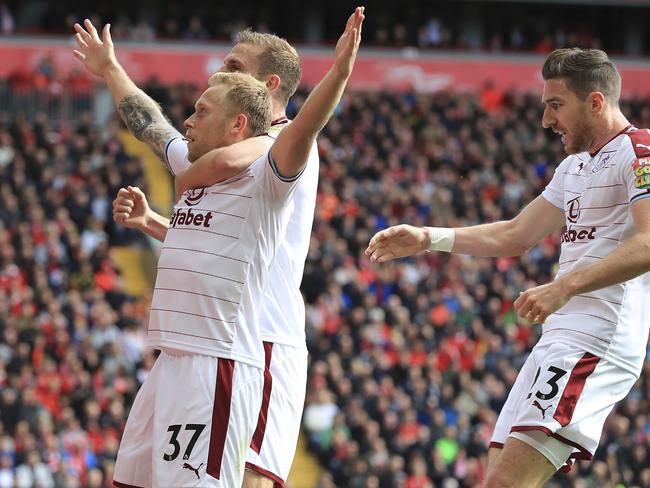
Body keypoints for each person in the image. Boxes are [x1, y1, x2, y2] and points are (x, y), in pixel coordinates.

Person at [74, 8, 364, 487]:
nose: (220, 71)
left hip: (256, 339)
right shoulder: (212, 152)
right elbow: (155, 132)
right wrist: (110, 69)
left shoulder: (284, 153)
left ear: (267, 87)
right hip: (187, 345)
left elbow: (296, 132)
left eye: (234, 67)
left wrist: (339, 72)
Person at [365, 47, 650, 487]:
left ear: (595, 102)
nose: (546, 120)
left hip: (599, 339)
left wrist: (565, 286)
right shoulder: (574, 166)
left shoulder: (641, 151)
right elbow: (516, 234)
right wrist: (428, 238)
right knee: (495, 479)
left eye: (556, 105)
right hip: (557, 340)